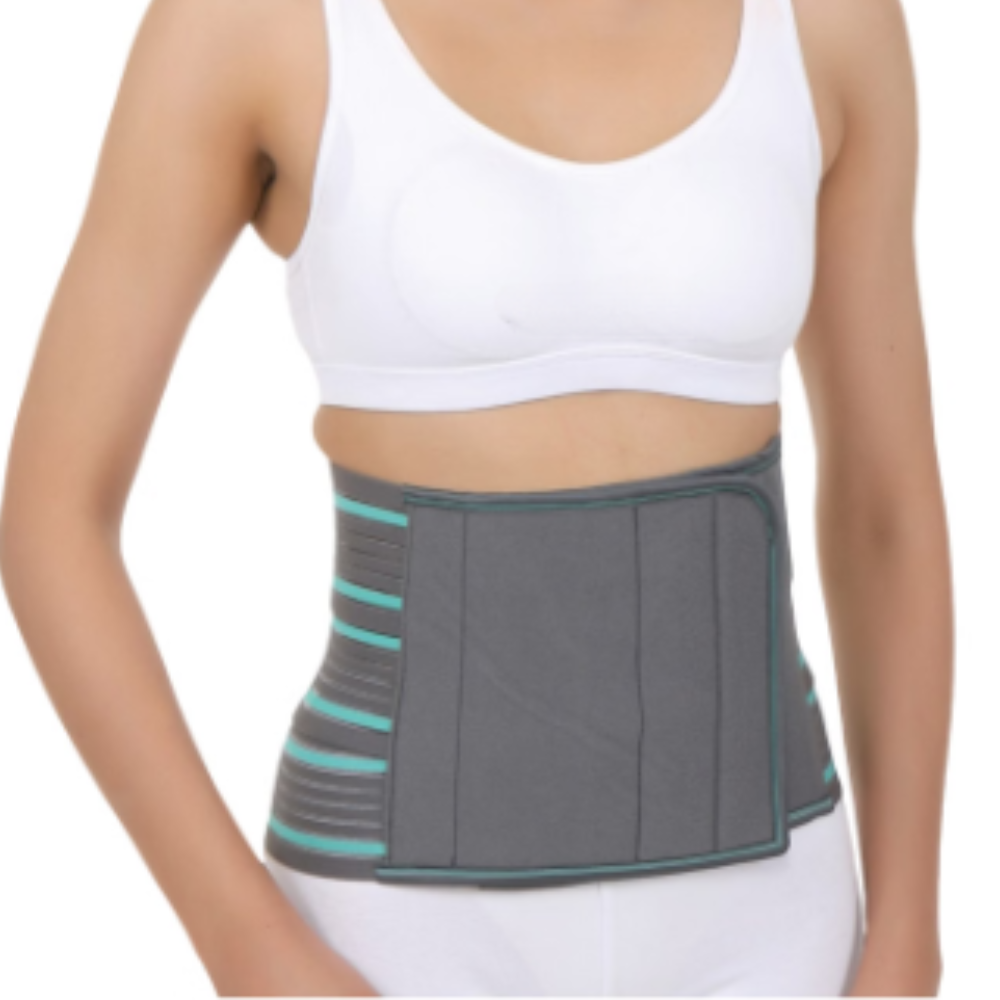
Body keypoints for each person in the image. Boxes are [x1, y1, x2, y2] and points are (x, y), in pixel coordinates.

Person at [1, 0, 953, 995]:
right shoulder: (254, 26)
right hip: (395, 930)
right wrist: (249, 950)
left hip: (772, 922)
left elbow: (885, 510)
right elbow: (52, 512)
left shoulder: (826, 22)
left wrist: (908, 941)